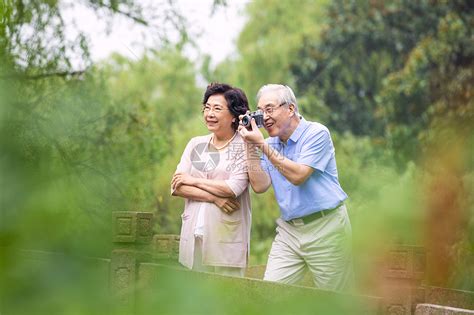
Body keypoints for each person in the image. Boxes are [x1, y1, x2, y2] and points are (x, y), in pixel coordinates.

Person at [238, 84, 354, 290]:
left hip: (326, 227)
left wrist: (261, 145)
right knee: (269, 294)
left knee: (333, 302)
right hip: (289, 231)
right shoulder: (270, 143)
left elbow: (299, 175)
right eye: (260, 111)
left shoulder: (317, 133)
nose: (264, 117)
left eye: (269, 109)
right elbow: (260, 185)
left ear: (290, 109)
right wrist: (250, 145)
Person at [171, 82, 251, 277]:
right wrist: (215, 198)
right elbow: (177, 187)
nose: (209, 114)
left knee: (227, 301)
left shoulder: (244, 146)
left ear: (234, 116)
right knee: (194, 302)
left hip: (226, 239)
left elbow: (232, 188)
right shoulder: (196, 143)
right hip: (193, 237)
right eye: (207, 107)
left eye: (217, 108)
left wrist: (193, 180)